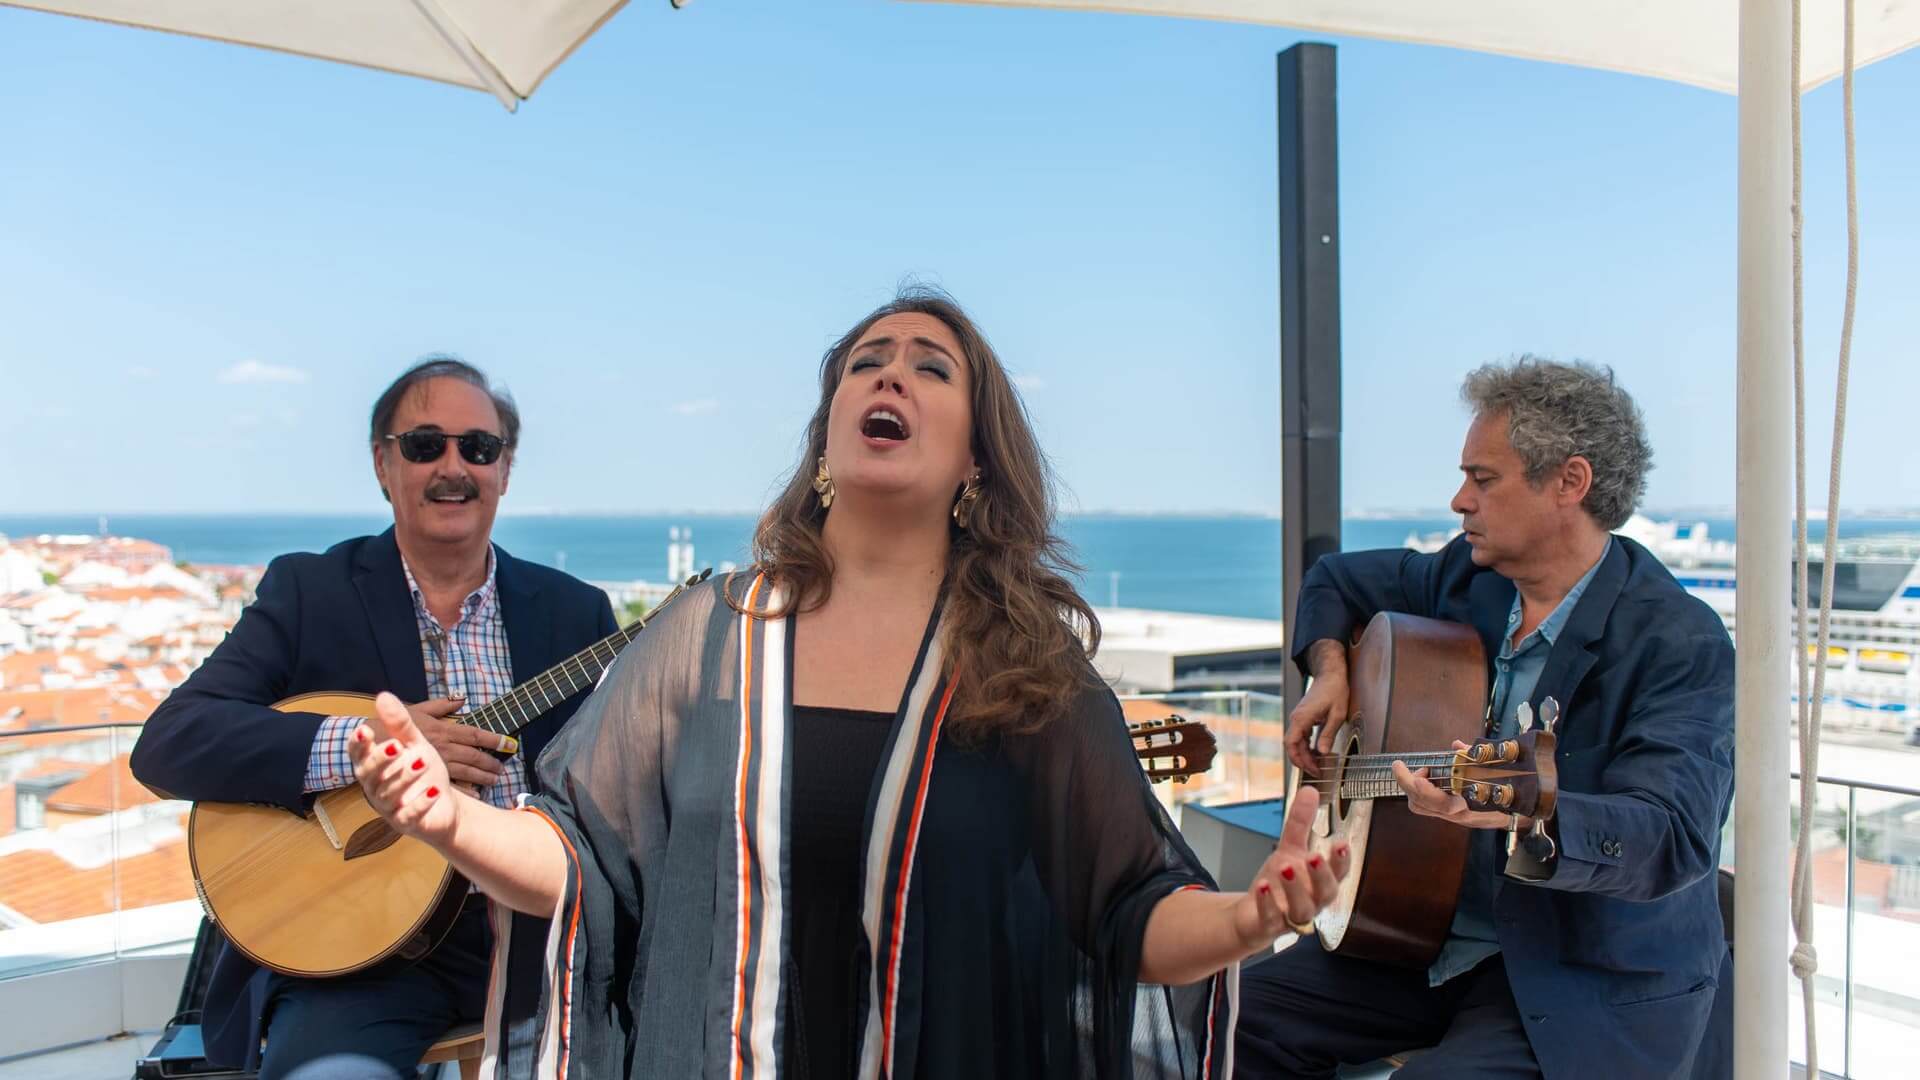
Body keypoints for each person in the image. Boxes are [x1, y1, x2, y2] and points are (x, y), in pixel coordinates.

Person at [350, 289, 1350, 1079]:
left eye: (931, 367)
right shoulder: (706, 634)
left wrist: (1254, 917)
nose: (893, 376)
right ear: (830, 434)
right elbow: (579, 859)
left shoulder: (1025, 666)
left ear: (975, 460)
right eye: (868, 363)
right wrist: (445, 821)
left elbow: (1130, 911)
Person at [1234, 358, 1736, 1078]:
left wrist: (1528, 815)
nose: (1459, 501)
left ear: (1570, 482)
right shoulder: (1468, 579)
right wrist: (1331, 669)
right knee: (1224, 1017)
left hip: (1579, 974)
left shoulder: (1676, 640)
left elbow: (1672, 837)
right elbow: (1333, 580)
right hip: (1420, 939)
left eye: (1483, 479)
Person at [131, 359, 618, 1078]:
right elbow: (169, 744)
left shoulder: (578, 613)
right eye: (425, 445)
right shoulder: (309, 591)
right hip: (363, 959)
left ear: (505, 470)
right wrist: (361, 751)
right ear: (383, 464)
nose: (453, 467)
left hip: (545, 939)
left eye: (477, 449)